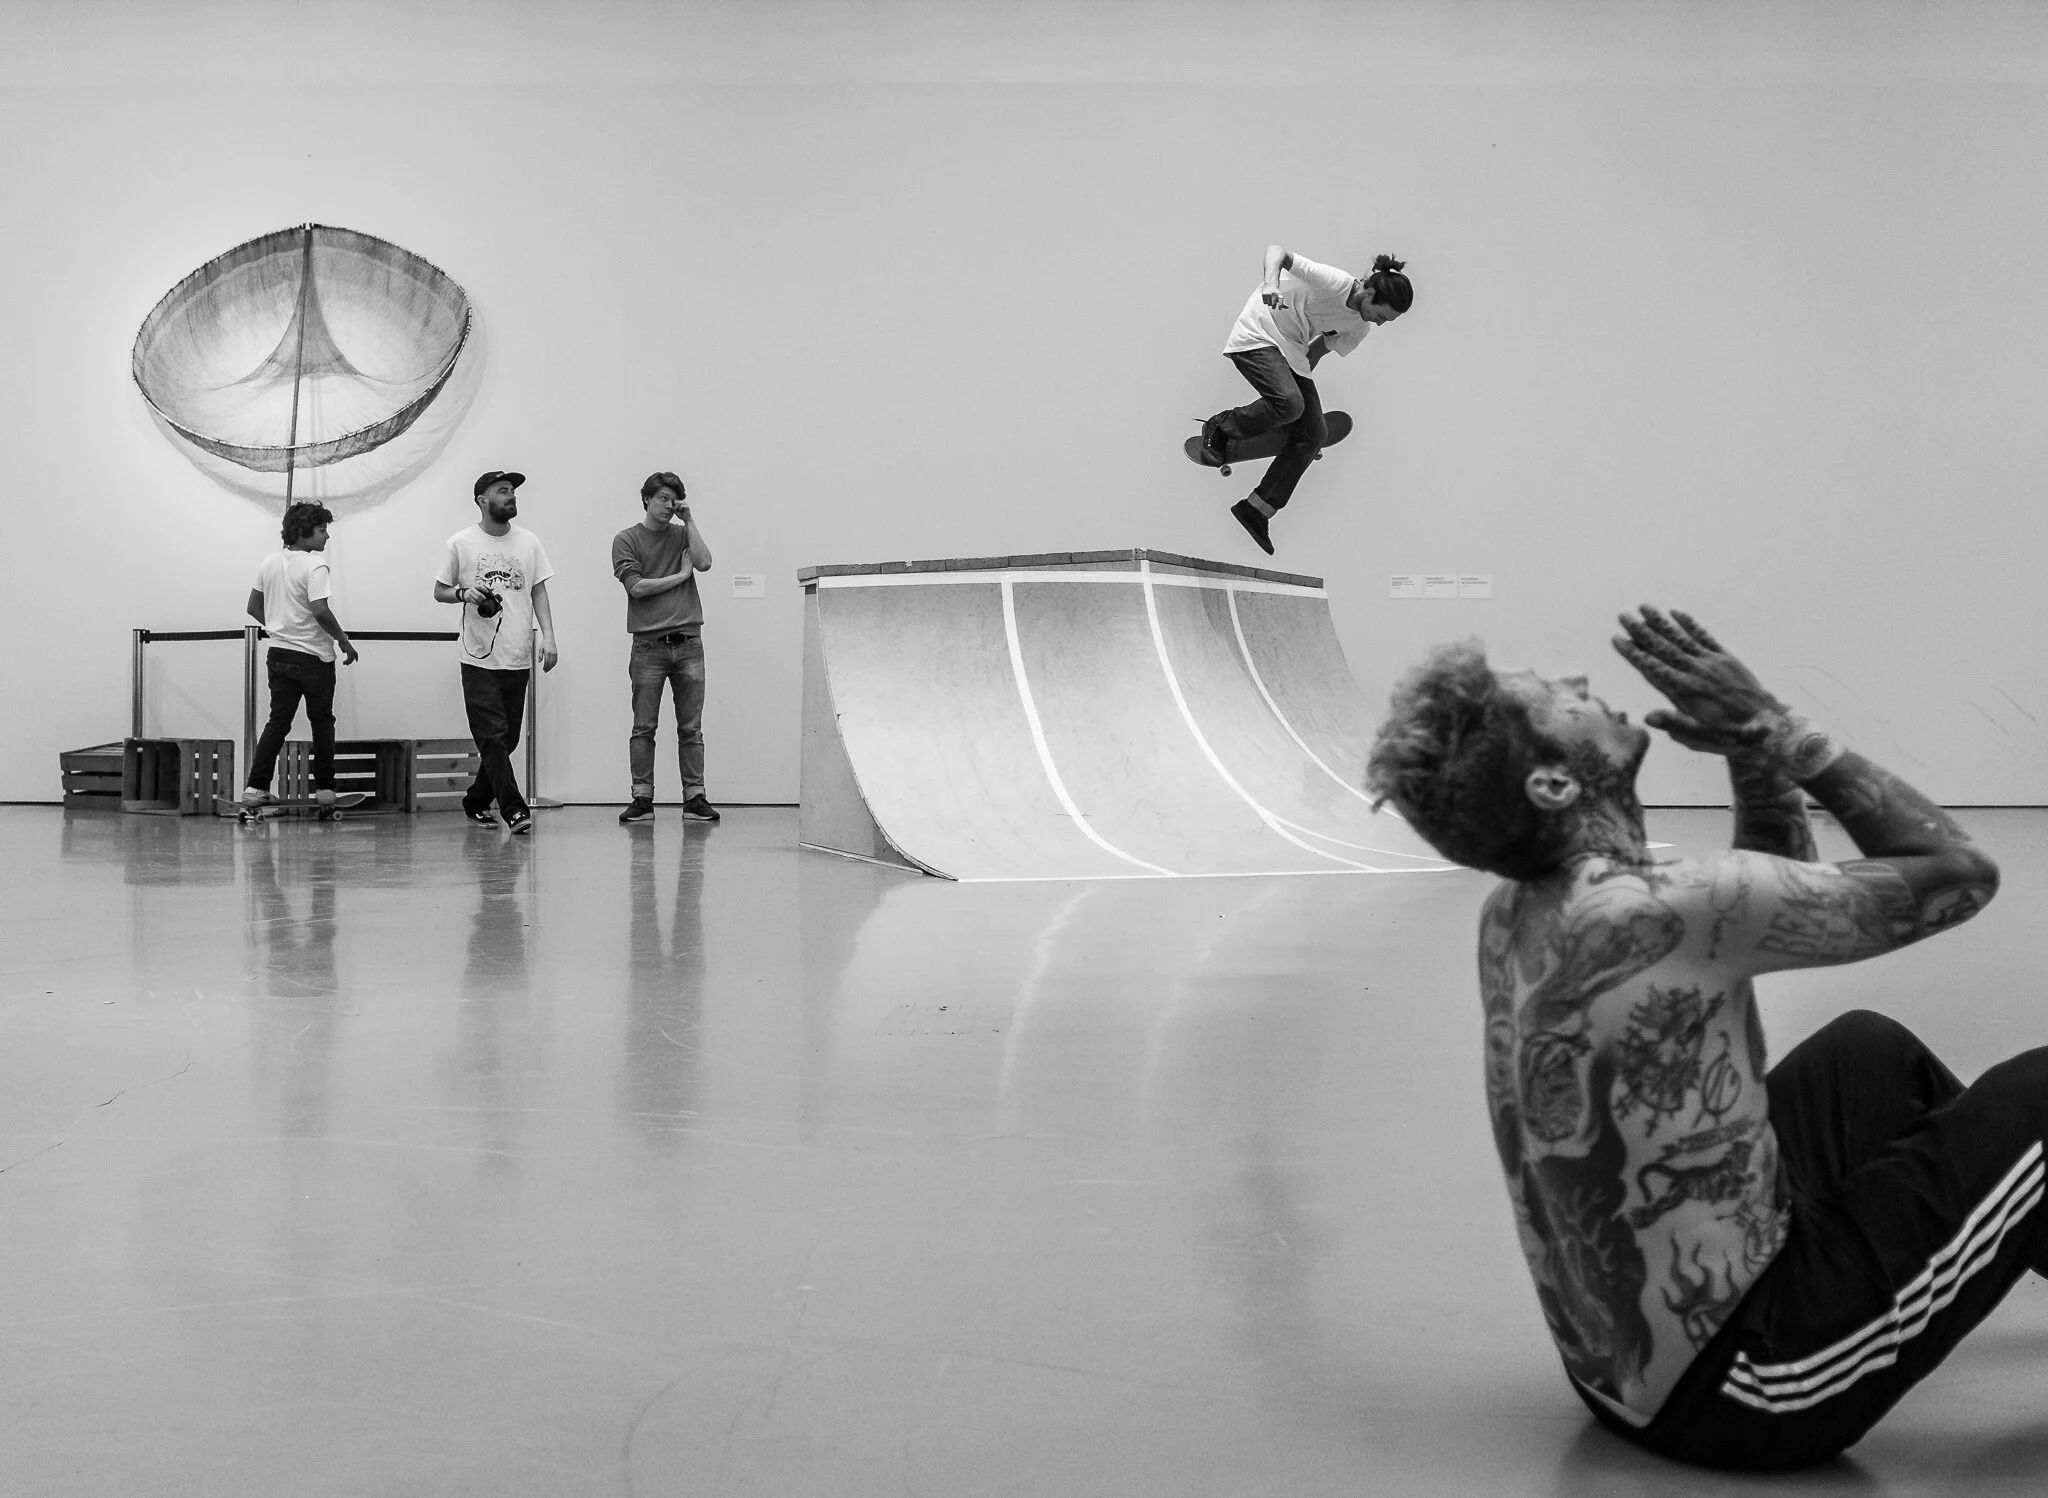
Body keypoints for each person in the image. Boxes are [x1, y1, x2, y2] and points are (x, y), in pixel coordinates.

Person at [1363, 607, 2027, 1472]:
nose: (1573, 683)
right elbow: (1960, 876)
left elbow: (1769, 892)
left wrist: (1752, 762)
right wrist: (1781, 730)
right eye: (1551, 699)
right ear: (1555, 784)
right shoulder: (1665, 907)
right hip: (1755, 1385)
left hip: (1618, 1372)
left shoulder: (1519, 910)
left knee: (1869, 1056)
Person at [1199, 244, 1412, 556]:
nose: (1378, 324)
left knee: (1314, 433)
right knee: (1290, 404)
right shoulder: (1336, 282)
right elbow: (1277, 252)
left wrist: (1302, 422)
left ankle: (1256, 509)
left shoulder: (1358, 328)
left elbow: (1315, 352)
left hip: (1292, 350)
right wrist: (1271, 284)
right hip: (1260, 331)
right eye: (1381, 316)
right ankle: (1221, 426)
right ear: (1368, 295)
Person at [432, 471, 558, 834]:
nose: (511, 496)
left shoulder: (529, 542)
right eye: (502, 491)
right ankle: (514, 809)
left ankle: (474, 800)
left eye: (513, 491)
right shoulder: (461, 543)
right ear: (482, 500)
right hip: (478, 657)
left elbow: (538, 592)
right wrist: (462, 593)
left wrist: (548, 637)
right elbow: (440, 590)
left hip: (517, 654)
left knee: (508, 739)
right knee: (491, 735)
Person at [612, 471, 719, 825]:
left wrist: (689, 519)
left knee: (691, 727)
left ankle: (695, 797)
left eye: (672, 499)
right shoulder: (626, 539)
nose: (666, 505)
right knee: (644, 726)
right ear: (645, 499)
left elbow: (704, 562)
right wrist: (679, 577)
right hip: (648, 646)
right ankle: (642, 798)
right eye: (660, 498)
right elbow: (637, 587)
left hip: (688, 642)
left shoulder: (682, 534)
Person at [241, 501, 358, 810]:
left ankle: (255, 788)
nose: (326, 537)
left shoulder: (269, 562)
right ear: (304, 533)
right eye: (322, 531)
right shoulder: (315, 566)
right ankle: (325, 790)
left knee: (277, 722)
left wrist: (281, 627)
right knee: (321, 722)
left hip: (278, 654)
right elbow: (320, 610)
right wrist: (343, 640)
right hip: (314, 658)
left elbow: (253, 607)